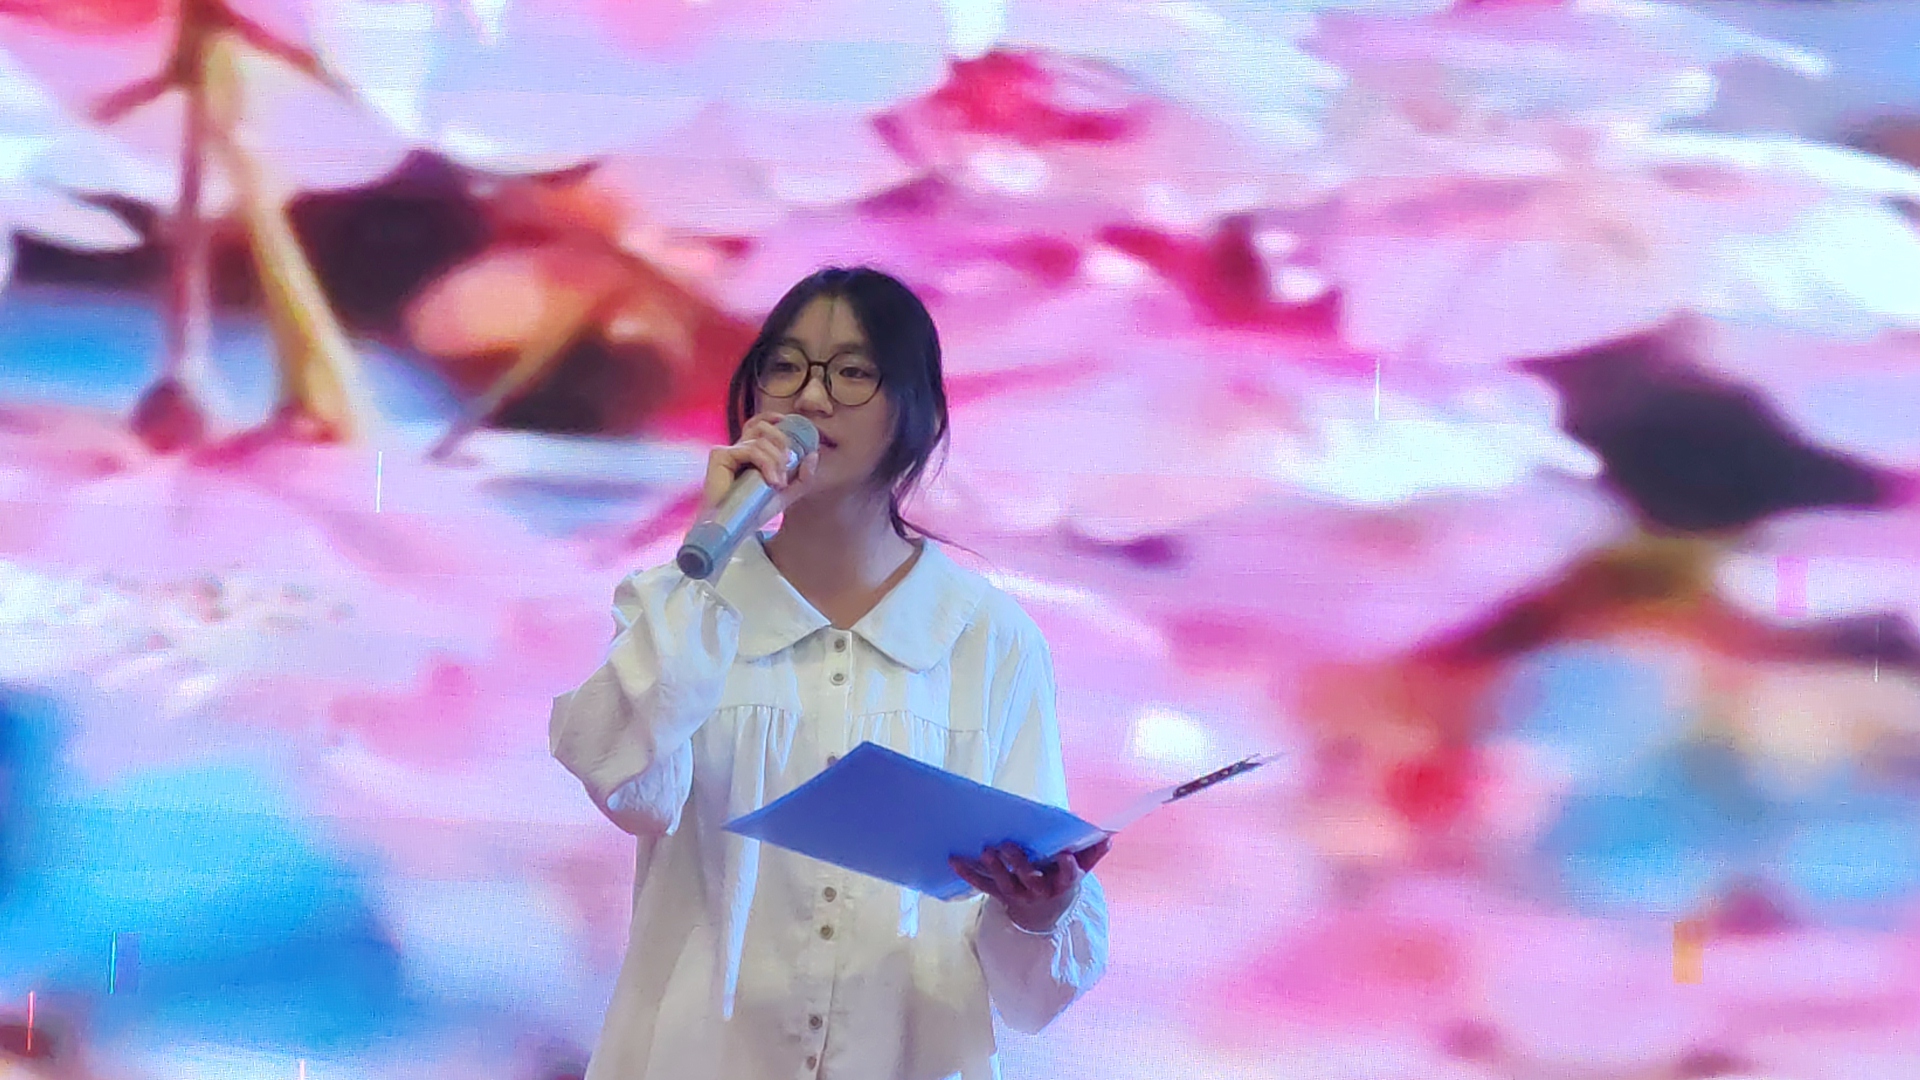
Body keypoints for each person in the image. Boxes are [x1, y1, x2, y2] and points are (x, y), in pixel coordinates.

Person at [550, 266, 1112, 1080]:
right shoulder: (685, 604)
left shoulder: (988, 639)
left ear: (916, 411)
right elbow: (628, 788)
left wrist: (1041, 910)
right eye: (785, 367)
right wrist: (708, 551)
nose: (811, 398)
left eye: (852, 372)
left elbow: (1028, 991)